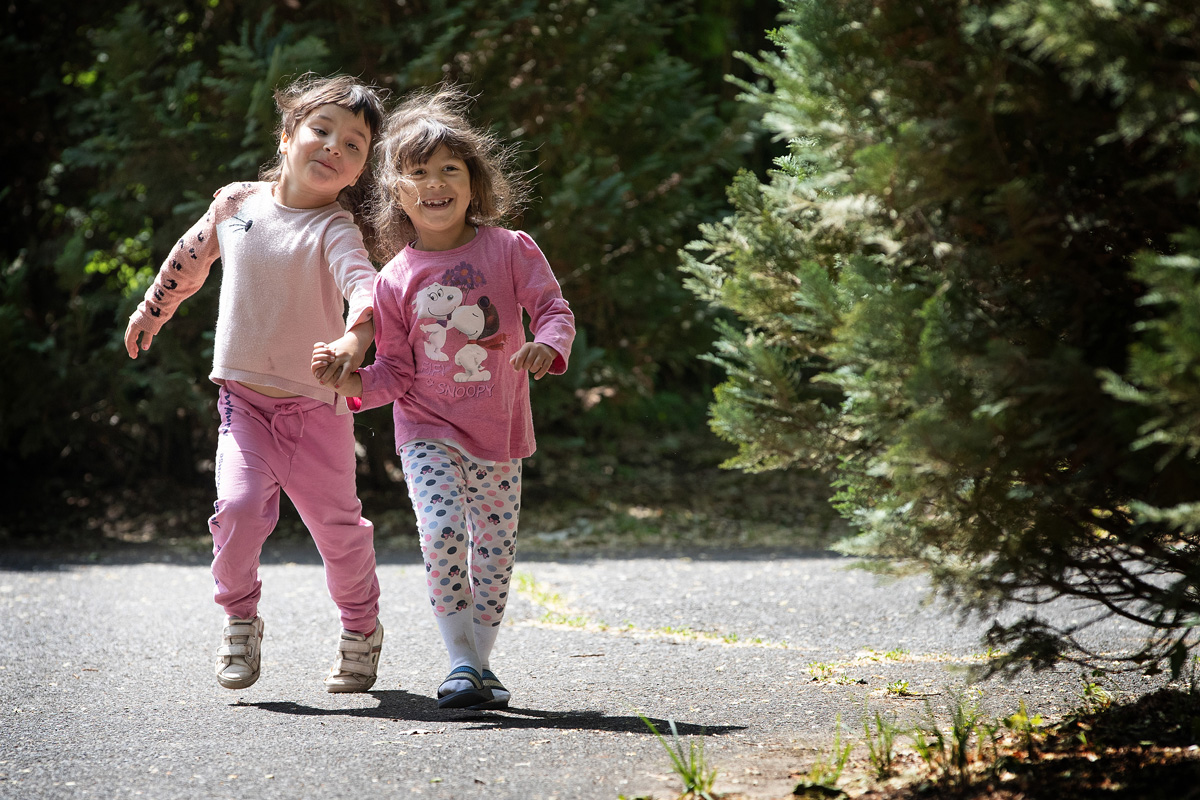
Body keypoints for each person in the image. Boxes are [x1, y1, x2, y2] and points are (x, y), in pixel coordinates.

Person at [312, 85, 574, 709]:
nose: (435, 184)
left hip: (501, 431)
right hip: (426, 429)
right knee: (441, 532)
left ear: (473, 184)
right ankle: (458, 660)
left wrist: (547, 344)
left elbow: (553, 309)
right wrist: (352, 385)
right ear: (398, 192)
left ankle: (478, 665)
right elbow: (395, 372)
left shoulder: (511, 249)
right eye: (418, 172)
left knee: (495, 549)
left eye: (449, 170)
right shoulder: (394, 279)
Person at [124, 74, 387, 693]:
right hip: (243, 402)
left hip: (317, 411)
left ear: (357, 174)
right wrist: (151, 310)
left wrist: (355, 339)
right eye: (322, 130)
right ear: (289, 134)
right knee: (237, 511)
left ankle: (360, 628)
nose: (333, 147)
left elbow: (364, 288)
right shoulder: (237, 203)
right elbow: (188, 259)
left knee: (339, 532)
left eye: (353, 145)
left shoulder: (336, 230)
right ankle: (240, 619)